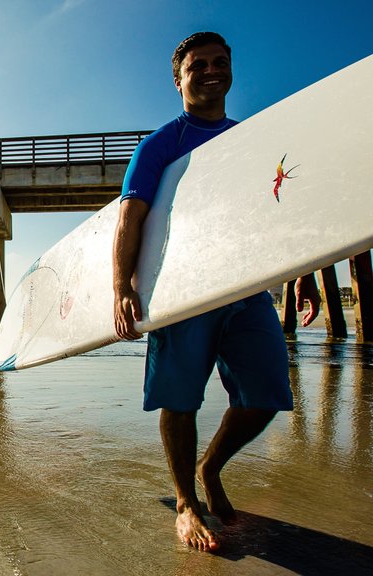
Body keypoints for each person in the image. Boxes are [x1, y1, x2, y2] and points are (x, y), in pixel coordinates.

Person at [112, 32, 322, 552]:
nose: (210, 71)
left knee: (267, 394)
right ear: (178, 79)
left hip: (244, 286)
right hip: (184, 287)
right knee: (179, 399)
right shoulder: (163, 142)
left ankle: (211, 467)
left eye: (220, 62)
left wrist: (305, 274)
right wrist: (121, 285)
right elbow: (130, 215)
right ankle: (186, 502)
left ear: (230, 71)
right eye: (198, 65)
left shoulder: (248, 140)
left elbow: (276, 213)